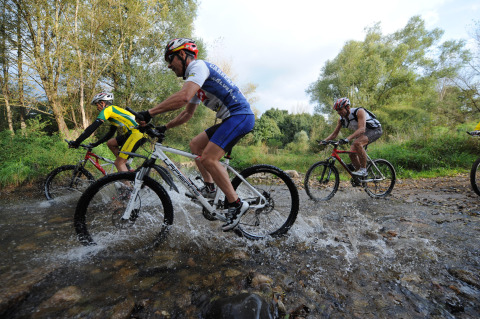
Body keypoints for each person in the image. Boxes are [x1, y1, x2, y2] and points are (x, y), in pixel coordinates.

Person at [136, 38, 255, 231]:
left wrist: (149, 113)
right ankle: (210, 188)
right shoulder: (195, 82)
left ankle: (236, 204)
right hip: (231, 118)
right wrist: (164, 127)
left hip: (240, 116)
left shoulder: (198, 67)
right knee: (195, 145)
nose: (169, 65)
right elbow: (186, 113)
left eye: (170, 59)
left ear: (182, 55)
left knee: (208, 158)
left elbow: (182, 98)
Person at [68, 92, 146, 172]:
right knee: (111, 143)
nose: (97, 108)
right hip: (135, 134)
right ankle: (127, 168)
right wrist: (95, 144)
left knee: (118, 163)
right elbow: (110, 134)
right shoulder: (114, 111)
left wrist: (77, 142)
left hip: (136, 134)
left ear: (102, 103)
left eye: (97, 105)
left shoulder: (107, 110)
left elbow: (92, 128)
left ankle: (127, 184)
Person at [324, 97, 382, 176]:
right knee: (351, 153)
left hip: (375, 130)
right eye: (337, 110)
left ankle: (363, 170)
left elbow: (362, 129)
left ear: (347, 107)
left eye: (340, 109)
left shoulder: (359, 111)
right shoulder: (341, 119)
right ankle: (359, 176)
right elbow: (334, 134)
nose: (338, 112)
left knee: (357, 143)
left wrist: (348, 138)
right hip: (363, 134)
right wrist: (325, 140)